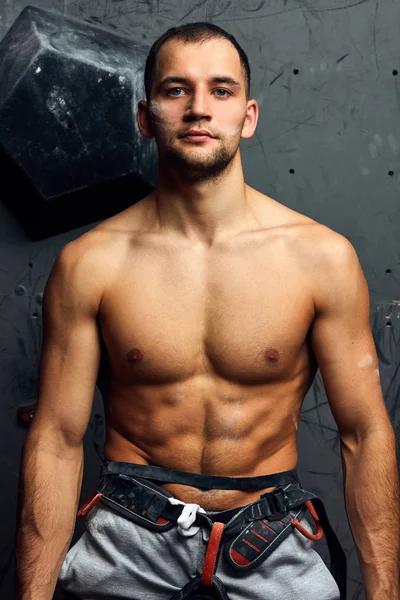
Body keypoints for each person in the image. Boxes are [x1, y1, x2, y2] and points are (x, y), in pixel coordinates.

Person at [16, 21, 399, 600]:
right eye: (176, 90)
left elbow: (365, 432)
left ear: (247, 116)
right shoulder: (91, 264)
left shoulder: (320, 258)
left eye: (220, 90)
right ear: (145, 117)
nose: (199, 108)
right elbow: (58, 439)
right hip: (127, 536)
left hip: (268, 539)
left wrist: (386, 592)